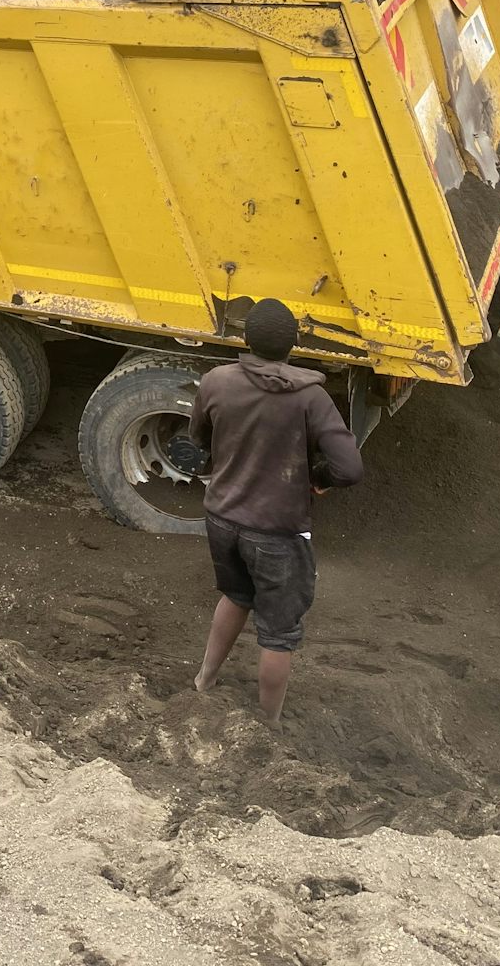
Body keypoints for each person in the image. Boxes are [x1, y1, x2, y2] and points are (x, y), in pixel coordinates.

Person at [188, 299, 364, 723]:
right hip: (277, 533)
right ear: (295, 344)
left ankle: (203, 681)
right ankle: (268, 723)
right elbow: (350, 467)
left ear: (246, 341)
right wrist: (317, 478)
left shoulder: (216, 381)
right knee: (278, 635)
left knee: (236, 596)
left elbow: (197, 440)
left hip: (223, 520)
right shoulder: (311, 398)